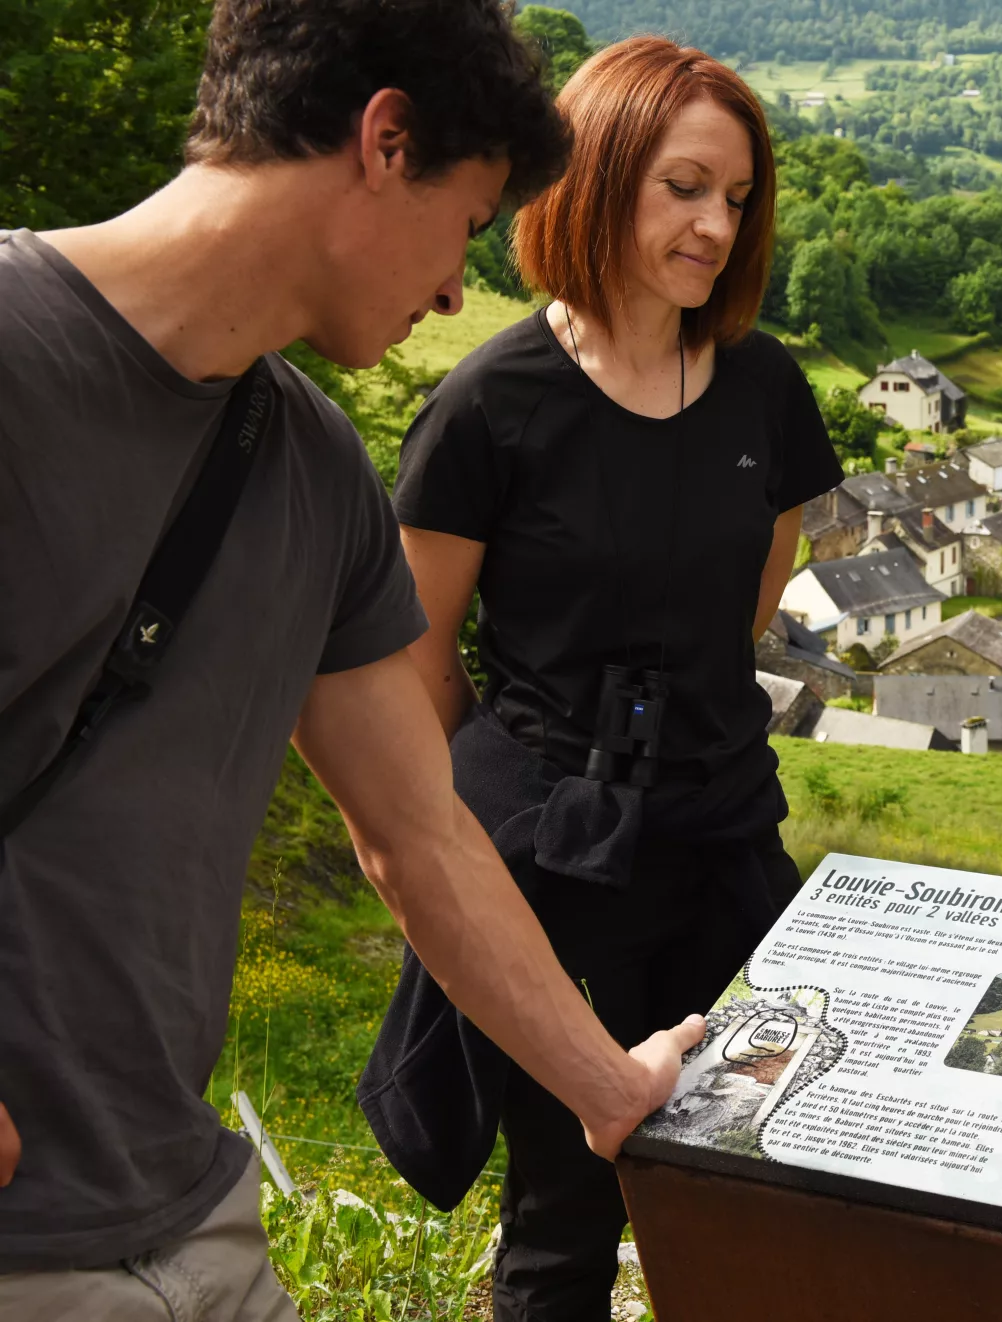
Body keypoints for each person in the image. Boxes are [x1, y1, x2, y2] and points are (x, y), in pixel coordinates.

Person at [0, 3, 709, 1317]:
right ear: (385, 142)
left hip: (190, 1218)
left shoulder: (312, 470)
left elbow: (419, 833)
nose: (455, 287)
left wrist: (613, 1092)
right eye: (469, 219)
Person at [383, 37, 842, 1320]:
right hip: (557, 865)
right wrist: (531, 797)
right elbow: (414, 666)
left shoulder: (762, 389)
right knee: (564, 1213)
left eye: (738, 199)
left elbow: (744, 606)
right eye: (685, 187)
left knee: (775, 1168)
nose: (715, 225)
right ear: (597, 177)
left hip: (719, 836)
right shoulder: (492, 405)